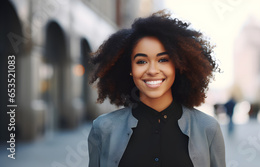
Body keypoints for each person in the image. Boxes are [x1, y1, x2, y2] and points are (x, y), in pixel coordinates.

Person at [87, 11, 225, 167]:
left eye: (163, 60)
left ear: (178, 65)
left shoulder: (208, 128)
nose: (152, 70)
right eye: (141, 61)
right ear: (130, 68)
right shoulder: (103, 128)